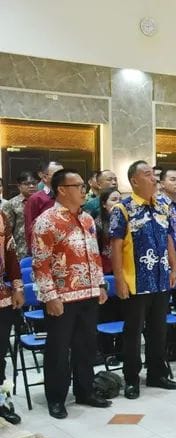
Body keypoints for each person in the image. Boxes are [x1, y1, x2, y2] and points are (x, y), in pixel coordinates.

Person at [32, 169, 110, 418]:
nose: (83, 190)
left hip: (88, 293)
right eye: (78, 186)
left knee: (86, 346)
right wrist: (50, 296)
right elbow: (40, 263)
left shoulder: (87, 219)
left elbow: (94, 255)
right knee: (58, 350)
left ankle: (85, 391)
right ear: (62, 190)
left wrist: (100, 284)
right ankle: (56, 398)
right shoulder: (47, 220)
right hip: (62, 297)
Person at [110, 160, 176, 400]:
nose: (154, 178)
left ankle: (157, 373)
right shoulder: (123, 209)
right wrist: (119, 279)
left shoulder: (162, 206)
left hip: (160, 279)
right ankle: (131, 378)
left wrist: (174, 267)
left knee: (159, 330)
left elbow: (169, 238)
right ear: (134, 181)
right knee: (133, 333)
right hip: (135, 281)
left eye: (154, 174)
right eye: (148, 174)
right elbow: (116, 246)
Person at [0, 208, 24, 424]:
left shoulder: (1, 217)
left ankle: (1, 403)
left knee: (0, 355)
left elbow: (10, 255)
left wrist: (17, 288)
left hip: (2, 298)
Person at [24, 161, 63, 253]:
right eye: (57, 175)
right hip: (44, 249)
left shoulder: (67, 196)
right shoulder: (36, 199)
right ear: (45, 178)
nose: (62, 178)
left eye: (63, 174)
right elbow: (30, 228)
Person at [2, 171, 37, 259]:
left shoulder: (41, 202)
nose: (31, 186)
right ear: (19, 186)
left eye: (34, 183)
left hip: (39, 248)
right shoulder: (11, 204)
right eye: (27, 184)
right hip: (20, 250)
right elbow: (7, 231)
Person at [95, 187, 121, 274]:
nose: (118, 203)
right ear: (104, 204)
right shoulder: (97, 224)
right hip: (106, 269)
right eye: (114, 200)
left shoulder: (128, 220)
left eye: (120, 200)